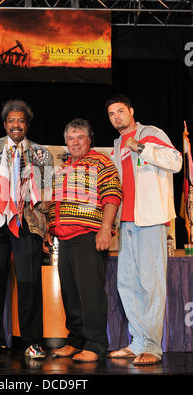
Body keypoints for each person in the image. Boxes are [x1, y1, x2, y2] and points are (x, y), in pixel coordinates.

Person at [0, 99, 53, 359]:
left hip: (27, 223)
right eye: (11, 121)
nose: (15, 125)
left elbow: (48, 194)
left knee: (29, 283)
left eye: (20, 120)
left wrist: (47, 227)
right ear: (5, 124)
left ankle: (32, 341)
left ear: (26, 124)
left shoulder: (42, 153)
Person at [106, 94, 182, 365]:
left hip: (150, 220)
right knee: (127, 284)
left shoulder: (150, 133)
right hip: (127, 221)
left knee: (151, 284)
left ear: (131, 111)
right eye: (112, 114)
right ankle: (137, 341)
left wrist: (142, 148)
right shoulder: (116, 144)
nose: (116, 117)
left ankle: (152, 345)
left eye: (120, 111)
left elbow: (176, 161)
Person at [44, 118, 122, 362]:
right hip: (64, 240)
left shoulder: (101, 162)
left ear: (89, 140)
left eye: (80, 137)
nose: (75, 142)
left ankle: (96, 345)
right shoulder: (64, 167)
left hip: (89, 236)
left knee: (90, 293)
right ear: (65, 142)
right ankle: (76, 340)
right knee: (71, 294)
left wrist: (105, 228)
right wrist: (49, 228)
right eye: (70, 138)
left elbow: (112, 195)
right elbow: (56, 203)